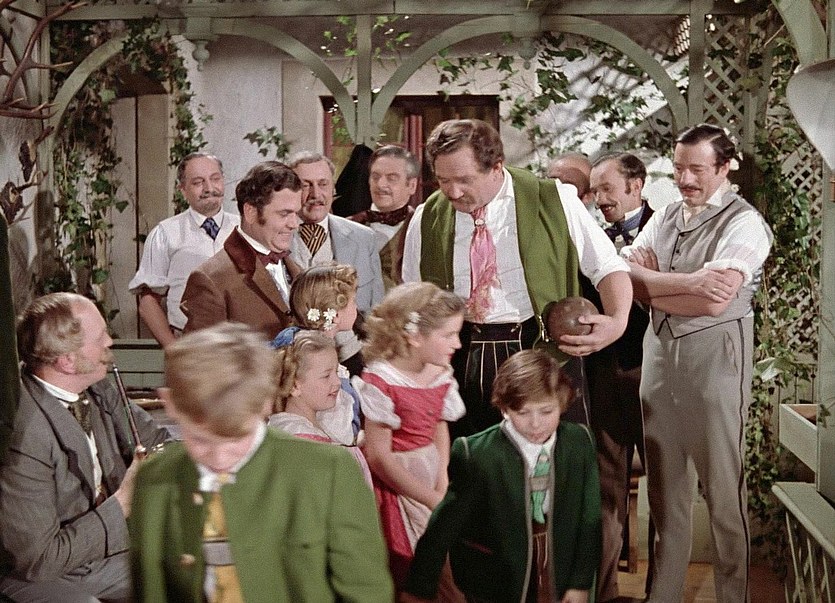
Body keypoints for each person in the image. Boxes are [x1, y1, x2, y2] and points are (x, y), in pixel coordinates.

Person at [129, 322, 393, 603]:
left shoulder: (328, 472)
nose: (219, 458)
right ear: (171, 405)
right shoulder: (155, 479)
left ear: (266, 402)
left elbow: (366, 592)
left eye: (235, 439)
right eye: (201, 440)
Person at [402, 118, 632, 437]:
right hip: (460, 354)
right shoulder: (427, 216)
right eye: (443, 180)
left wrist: (617, 321)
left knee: (549, 461)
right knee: (470, 459)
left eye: (465, 180)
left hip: (540, 349)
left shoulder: (555, 199)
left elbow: (607, 266)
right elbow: (412, 299)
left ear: (497, 167)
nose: (453, 191)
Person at [622, 123, 772, 603]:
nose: (685, 179)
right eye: (678, 168)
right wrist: (686, 284)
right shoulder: (666, 214)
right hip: (658, 359)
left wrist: (651, 286)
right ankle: (662, 597)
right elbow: (625, 277)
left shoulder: (745, 223)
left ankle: (733, 597)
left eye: (697, 169)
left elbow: (715, 302)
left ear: (725, 168)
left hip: (715, 361)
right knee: (665, 496)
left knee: (724, 496)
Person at [0, 292, 169, 602]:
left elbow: (157, 442)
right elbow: (39, 561)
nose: (110, 342)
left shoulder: (99, 387)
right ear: (67, 360)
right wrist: (123, 503)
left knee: (206, 568)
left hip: (109, 552)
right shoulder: (25, 433)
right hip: (48, 572)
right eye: (100, 336)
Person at [402, 349, 602, 603]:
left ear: (562, 405)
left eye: (546, 412)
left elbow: (589, 518)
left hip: (559, 569)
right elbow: (443, 527)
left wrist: (580, 583)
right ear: (505, 408)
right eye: (523, 413)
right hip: (498, 580)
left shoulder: (579, 441)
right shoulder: (476, 453)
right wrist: (418, 589)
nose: (535, 424)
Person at [354, 282, 466, 594]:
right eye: (448, 335)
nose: (458, 344)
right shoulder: (382, 380)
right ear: (415, 336)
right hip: (397, 481)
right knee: (413, 566)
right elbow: (378, 456)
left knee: (444, 561)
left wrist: (441, 481)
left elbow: (439, 427)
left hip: (431, 469)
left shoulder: (439, 371)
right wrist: (428, 497)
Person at [587, 151, 655, 602]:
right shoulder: (590, 235)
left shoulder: (667, 229)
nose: (599, 199)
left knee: (664, 495)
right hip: (603, 378)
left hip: (654, 378)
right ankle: (605, 592)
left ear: (636, 185)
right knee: (605, 492)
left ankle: (660, 593)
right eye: (594, 190)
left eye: (607, 188)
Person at [180, 161, 302, 338]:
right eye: (284, 214)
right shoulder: (210, 280)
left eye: (296, 214)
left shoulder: (297, 270)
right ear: (251, 212)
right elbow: (200, 354)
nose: (294, 224)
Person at [289, 151, 385, 373]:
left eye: (323, 184)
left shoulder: (363, 238)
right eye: (305, 185)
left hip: (354, 359)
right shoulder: (277, 238)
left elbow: (376, 310)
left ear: (333, 188)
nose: (316, 194)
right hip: (297, 364)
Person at [129, 152, 239, 346]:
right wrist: (173, 348)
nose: (209, 188)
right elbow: (148, 302)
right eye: (198, 182)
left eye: (215, 179)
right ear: (183, 190)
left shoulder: (244, 229)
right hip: (190, 342)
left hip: (239, 343)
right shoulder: (165, 233)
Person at [271, 263, 364, 446]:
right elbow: (335, 431)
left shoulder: (321, 350)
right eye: (353, 302)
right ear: (335, 314)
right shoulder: (313, 359)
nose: (356, 307)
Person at [269, 330, 373, 487]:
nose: (337, 382)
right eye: (326, 376)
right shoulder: (299, 443)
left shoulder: (323, 425)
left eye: (336, 372)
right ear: (295, 386)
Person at [349, 145, 419, 291]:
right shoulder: (347, 226)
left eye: (391, 178)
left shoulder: (423, 227)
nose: (380, 184)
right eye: (375, 177)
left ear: (412, 186)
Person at [590, 152, 654, 251]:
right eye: (595, 192)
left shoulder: (664, 229)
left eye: (607, 189)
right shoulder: (600, 240)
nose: (599, 201)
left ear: (636, 186)